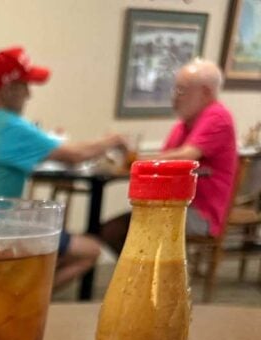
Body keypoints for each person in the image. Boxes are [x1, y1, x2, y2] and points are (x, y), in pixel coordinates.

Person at [0, 47, 128, 290]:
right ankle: (22, 300)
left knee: (45, 233)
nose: (29, 95)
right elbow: (74, 155)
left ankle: (13, 292)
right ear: (9, 89)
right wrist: (111, 141)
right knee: (90, 250)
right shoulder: (10, 125)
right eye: (25, 87)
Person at [101, 59, 238, 253]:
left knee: (119, 231)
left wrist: (134, 159)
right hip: (172, 205)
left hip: (199, 213)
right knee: (111, 231)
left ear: (206, 92)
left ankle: (153, 279)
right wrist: (130, 155)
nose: (174, 97)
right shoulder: (183, 125)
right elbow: (162, 161)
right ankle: (147, 279)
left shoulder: (218, 116)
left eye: (182, 91)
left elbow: (184, 157)